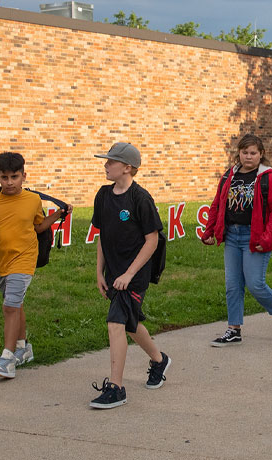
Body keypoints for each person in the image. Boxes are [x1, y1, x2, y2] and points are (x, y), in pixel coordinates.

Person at [0, 151, 71, 380]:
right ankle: (23, 348)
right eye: (4, 177)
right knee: (15, 304)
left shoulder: (32, 200)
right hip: (1, 262)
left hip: (25, 258)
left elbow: (39, 227)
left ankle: (7, 359)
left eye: (15, 177)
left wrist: (59, 214)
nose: (9, 182)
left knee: (9, 306)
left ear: (24, 176)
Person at [88, 142, 171, 409]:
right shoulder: (102, 196)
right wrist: (99, 271)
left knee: (115, 324)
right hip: (114, 273)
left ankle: (116, 387)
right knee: (130, 324)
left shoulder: (140, 198)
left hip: (133, 274)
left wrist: (129, 273)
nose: (105, 165)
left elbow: (152, 241)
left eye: (110, 162)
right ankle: (159, 360)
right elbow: (103, 236)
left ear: (127, 167)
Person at [199, 134, 272, 347]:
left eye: (253, 153)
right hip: (232, 235)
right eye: (245, 152)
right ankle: (234, 329)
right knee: (233, 284)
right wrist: (209, 231)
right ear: (238, 153)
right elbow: (217, 204)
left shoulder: (268, 178)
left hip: (255, 236)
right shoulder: (229, 176)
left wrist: (267, 238)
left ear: (261, 155)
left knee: (255, 284)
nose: (248, 157)